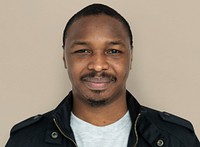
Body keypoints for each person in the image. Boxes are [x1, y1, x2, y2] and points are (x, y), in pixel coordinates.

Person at [6, 3, 200, 147]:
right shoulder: (25, 141)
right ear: (65, 58)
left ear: (131, 57)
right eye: (83, 51)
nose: (98, 65)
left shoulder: (178, 139)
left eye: (113, 51)